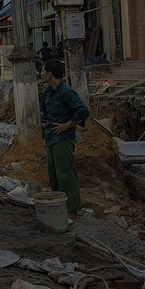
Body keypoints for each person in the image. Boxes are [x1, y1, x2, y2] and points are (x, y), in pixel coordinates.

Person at [40, 59, 89, 225]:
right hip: (50, 137)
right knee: (54, 176)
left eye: (43, 70)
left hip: (63, 139)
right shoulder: (48, 92)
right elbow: (45, 112)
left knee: (66, 175)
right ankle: (59, 207)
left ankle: (73, 210)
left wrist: (67, 125)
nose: (41, 73)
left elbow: (83, 110)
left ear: (50, 74)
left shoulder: (66, 91)